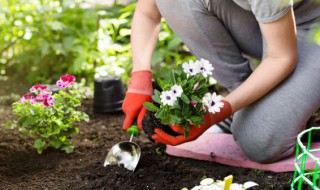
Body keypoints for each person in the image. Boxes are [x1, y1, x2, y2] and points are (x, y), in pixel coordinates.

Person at [121, 0, 320, 164]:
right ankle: (246, 104)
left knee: (259, 143)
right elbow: (148, 11)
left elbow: (281, 57)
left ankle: (260, 109)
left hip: (313, 29)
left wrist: (216, 113)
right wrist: (139, 77)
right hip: (271, 24)